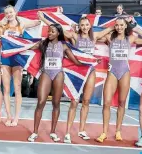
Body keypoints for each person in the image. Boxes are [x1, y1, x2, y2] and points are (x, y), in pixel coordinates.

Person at [39, 13, 114, 143]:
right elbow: (58, 28)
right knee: (74, 101)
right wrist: (43, 19)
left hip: (90, 71)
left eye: (86, 25)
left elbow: (110, 28)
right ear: (79, 26)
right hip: (77, 71)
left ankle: (81, 130)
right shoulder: (75, 36)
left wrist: (122, 20)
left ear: (90, 26)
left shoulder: (94, 36)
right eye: (82, 25)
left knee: (86, 101)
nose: (84, 27)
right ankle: (67, 132)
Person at [27, 23, 83, 142]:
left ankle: (53, 131)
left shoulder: (64, 46)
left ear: (58, 33)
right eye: (49, 31)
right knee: (41, 102)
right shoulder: (43, 43)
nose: (50, 33)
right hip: (46, 73)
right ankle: (35, 132)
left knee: (56, 103)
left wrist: (92, 62)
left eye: (52, 31)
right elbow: (27, 47)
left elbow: (76, 62)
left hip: (58, 74)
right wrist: (13, 44)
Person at [95, 17, 142, 143]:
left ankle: (118, 131)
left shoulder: (131, 38)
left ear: (126, 26)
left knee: (122, 102)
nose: (119, 27)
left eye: (121, 25)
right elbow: (95, 37)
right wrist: (111, 28)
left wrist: (134, 25)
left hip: (124, 72)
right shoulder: (110, 37)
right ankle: (104, 132)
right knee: (106, 103)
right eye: (117, 25)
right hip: (112, 72)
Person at [0, 5, 41, 126]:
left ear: (15, 12)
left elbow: (36, 23)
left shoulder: (21, 23)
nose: (9, 14)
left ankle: (16, 118)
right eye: (7, 13)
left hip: (18, 59)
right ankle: (8, 116)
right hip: (5, 59)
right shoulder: (2, 24)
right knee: (6, 89)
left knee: (17, 89)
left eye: (11, 12)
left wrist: (46, 17)